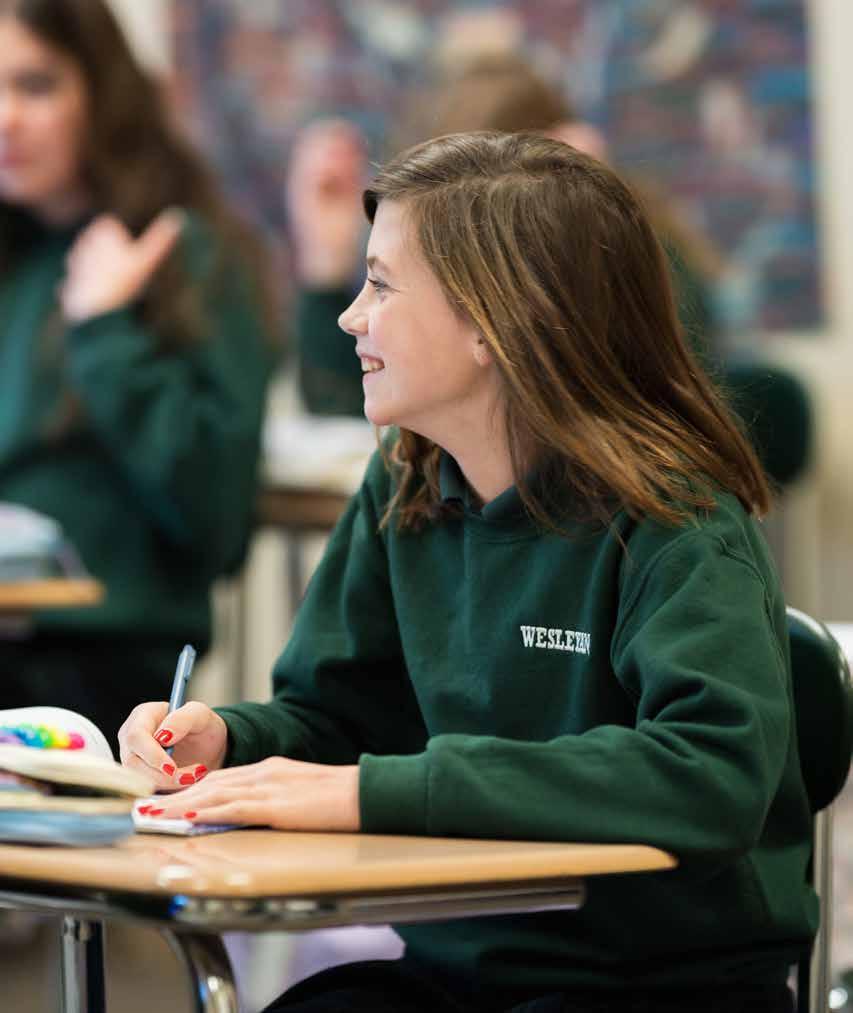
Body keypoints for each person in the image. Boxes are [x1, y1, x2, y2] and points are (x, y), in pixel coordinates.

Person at [120, 132, 813, 1013]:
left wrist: (377, 791)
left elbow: (707, 774)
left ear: (494, 320)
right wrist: (229, 739)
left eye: (381, 285)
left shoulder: (673, 520)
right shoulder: (402, 486)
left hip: (662, 985)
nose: (349, 317)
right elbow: (338, 717)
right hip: (466, 971)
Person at [288, 56, 811, 490]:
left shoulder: (622, 246)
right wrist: (324, 265)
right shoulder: (401, 486)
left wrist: (595, 239)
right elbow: (341, 412)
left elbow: (655, 389)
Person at [0, 0, 275, 752]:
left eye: (35, 85)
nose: (6, 118)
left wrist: (105, 335)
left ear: (102, 91)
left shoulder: (183, 254)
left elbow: (216, 519)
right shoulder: (16, 255)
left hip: (97, 673)